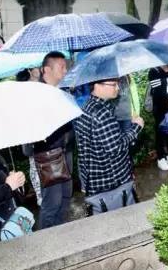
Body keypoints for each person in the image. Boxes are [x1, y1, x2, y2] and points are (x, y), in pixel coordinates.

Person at [74, 78, 144, 215]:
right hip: (112, 184)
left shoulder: (86, 107)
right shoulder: (102, 113)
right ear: (97, 85)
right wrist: (136, 127)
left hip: (95, 181)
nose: (117, 88)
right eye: (113, 84)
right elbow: (115, 148)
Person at [33, 51, 74, 229]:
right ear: (46, 70)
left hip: (66, 152)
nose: (65, 71)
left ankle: (62, 234)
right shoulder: (36, 95)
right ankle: (47, 240)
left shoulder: (62, 91)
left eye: (66, 67)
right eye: (61, 67)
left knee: (66, 198)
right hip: (49, 156)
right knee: (52, 203)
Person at [16, 68, 43, 207]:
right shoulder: (32, 95)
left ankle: (40, 197)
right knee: (37, 167)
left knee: (34, 167)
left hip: (32, 144)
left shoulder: (18, 99)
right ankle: (41, 197)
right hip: (37, 142)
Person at [148, 64, 168, 171]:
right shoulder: (154, 71)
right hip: (160, 107)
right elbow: (158, 90)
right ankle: (161, 158)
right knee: (161, 132)